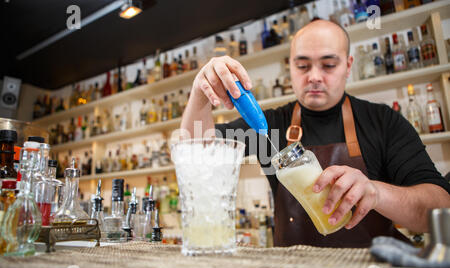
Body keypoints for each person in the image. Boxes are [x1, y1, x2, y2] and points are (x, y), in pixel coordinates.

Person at [180, 19, 450, 248]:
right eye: (303, 65)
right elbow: (195, 151)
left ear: (348, 65)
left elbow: (440, 211)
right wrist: (200, 93)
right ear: (290, 67)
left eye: (329, 65)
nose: (314, 77)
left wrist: (376, 193)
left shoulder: (384, 122)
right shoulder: (270, 126)